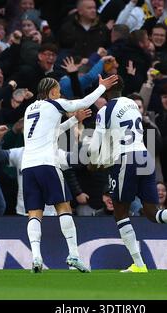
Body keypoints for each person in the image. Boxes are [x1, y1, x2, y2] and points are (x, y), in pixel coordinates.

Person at [88, 76, 167, 273]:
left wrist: (94, 161)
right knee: (152, 212)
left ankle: (139, 264)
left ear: (106, 89)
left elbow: (95, 145)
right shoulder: (131, 104)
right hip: (144, 156)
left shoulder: (105, 111)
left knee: (120, 212)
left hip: (126, 159)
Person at [22, 74, 118, 273]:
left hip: (28, 166)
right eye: (58, 90)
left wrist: (74, 120)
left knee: (34, 213)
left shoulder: (30, 109)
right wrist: (101, 88)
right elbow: (84, 102)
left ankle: (36, 257)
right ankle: (73, 254)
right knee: (64, 208)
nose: (60, 94)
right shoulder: (53, 104)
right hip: (47, 164)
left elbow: (51, 132)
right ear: (51, 92)